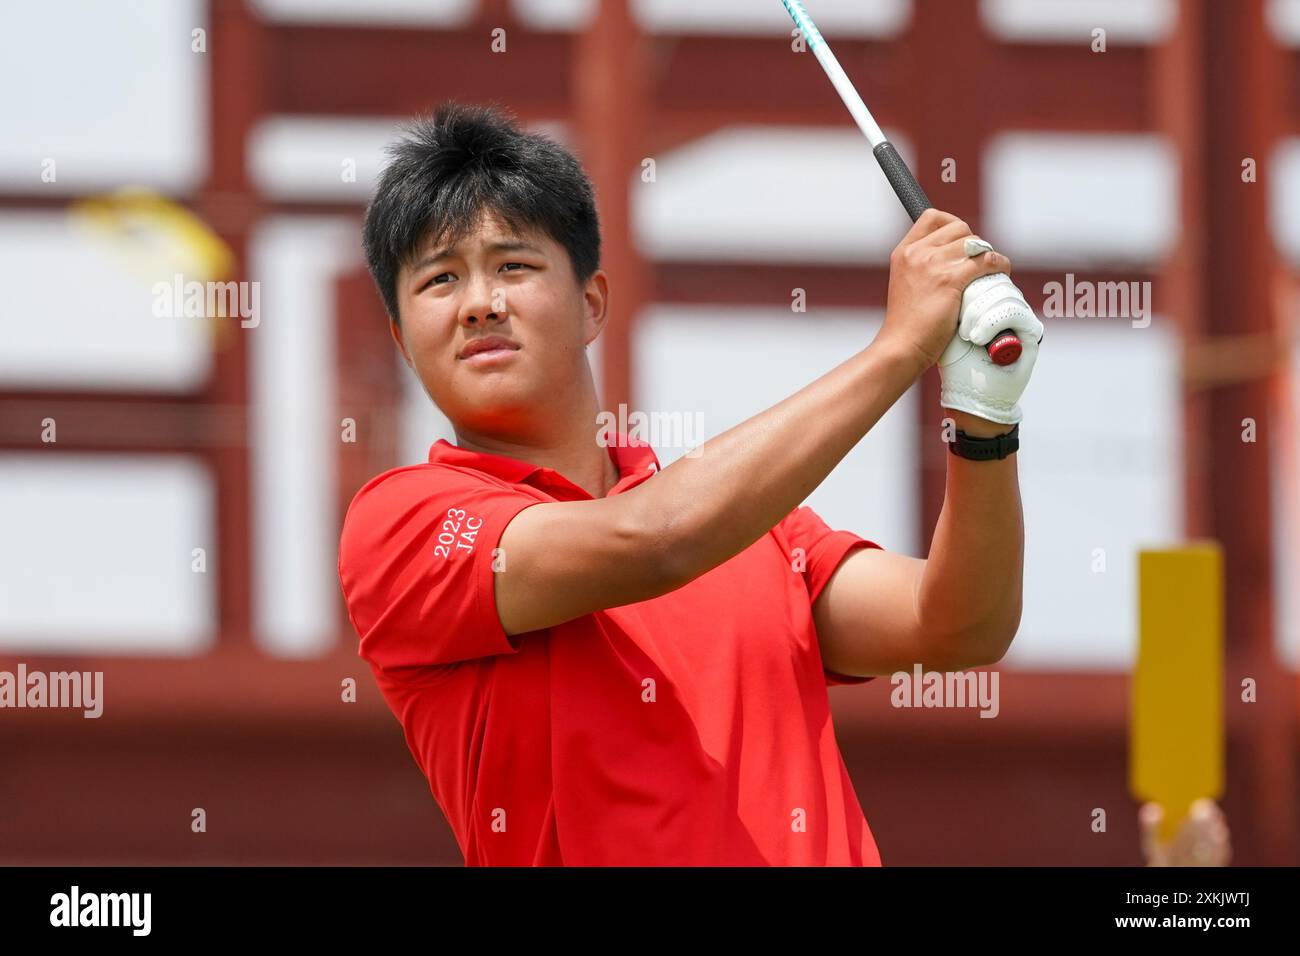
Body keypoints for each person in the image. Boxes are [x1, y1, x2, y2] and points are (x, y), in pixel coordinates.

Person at [337, 101, 1044, 865]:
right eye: (440, 280)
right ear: (403, 341)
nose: (481, 303)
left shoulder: (757, 528)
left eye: (514, 265)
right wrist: (899, 349)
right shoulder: (401, 523)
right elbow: (656, 540)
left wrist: (984, 421)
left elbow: (961, 627)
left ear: (590, 304)